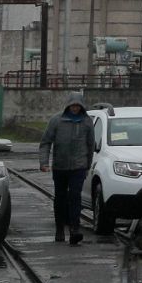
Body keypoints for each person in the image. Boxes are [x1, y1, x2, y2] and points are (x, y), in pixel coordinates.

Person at [39, 93, 94, 244]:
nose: (75, 108)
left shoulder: (87, 122)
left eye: (78, 106)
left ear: (82, 106)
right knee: (60, 198)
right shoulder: (57, 120)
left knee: (75, 197)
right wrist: (44, 162)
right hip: (60, 167)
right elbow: (45, 142)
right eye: (73, 105)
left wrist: (88, 165)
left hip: (79, 167)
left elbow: (90, 145)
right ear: (68, 106)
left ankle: (74, 230)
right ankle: (59, 229)